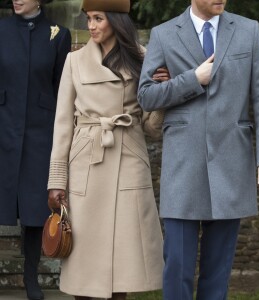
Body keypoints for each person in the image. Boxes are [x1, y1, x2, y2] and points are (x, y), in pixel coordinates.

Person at [138, 0, 259, 299]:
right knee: (177, 265)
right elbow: (147, 96)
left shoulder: (248, 31)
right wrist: (192, 79)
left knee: (218, 271)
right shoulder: (163, 34)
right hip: (182, 165)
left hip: (232, 163)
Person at [47, 0, 168, 299]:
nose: (91, 26)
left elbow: (152, 129)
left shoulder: (144, 59)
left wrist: (163, 92)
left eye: (98, 18)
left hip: (128, 159)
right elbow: (63, 126)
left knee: (121, 268)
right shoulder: (74, 61)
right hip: (86, 161)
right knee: (83, 270)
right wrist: (56, 181)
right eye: (88, 18)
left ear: (116, 20)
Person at [0, 1, 71, 299]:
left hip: (41, 133)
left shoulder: (59, 34)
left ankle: (31, 279)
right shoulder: (1, 29)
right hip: (3, 127)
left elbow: (62, 87)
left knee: (33, 207)